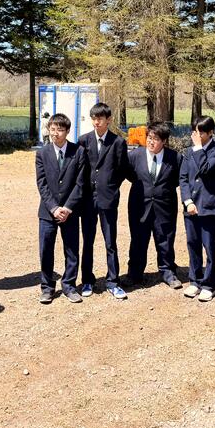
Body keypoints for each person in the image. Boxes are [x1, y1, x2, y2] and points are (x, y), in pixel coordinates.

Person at [78, 103, 129, 299]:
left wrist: (110, 185)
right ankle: (87, 280)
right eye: (94, 118)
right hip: (87, 199)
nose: (96, 122)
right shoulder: (84, 141)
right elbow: (80, 168)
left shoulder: (118, 142)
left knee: (110, 241)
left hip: (108, 198)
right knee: (88, 241)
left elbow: (122, 169)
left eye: (100, 118)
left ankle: (113, 281)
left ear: (109, 120)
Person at [36, 113, 87, 304]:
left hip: (70, 212)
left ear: (67, 131)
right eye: (52, 129)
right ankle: (47, 287)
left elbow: (80, 183)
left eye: (60, 130)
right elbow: (41, 183)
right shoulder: (42, 153)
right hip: (48, 212)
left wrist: (67, 207)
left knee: (72, 250)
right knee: (46, 250)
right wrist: (53, 208)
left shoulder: (78, 152)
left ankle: (69, 285)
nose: (55, 133)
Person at [125, 122, 183, 289]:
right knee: (138, 240)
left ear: (164, 141)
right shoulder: (134, 156)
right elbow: (129, 175)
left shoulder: (175, 157)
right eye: (149, 138)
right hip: (139, 205)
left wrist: (161, 191)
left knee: (165, 239)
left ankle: (168, 272)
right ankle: (134, 273)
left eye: (156, 139)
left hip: (165, 206)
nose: (151, 142)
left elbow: (178, 179)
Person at [180, 115, 215, 303]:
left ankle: (209, 283)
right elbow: (183, 178)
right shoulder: (188, 151)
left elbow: (206, 169)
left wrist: (199, 148)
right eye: (195, 131)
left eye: (201, 132)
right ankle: (195, 280)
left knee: (209, 246)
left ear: (211, 132)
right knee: (192, 244)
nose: (197, 135)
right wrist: (187, 201)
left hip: (209, 205)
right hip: (191, 205)